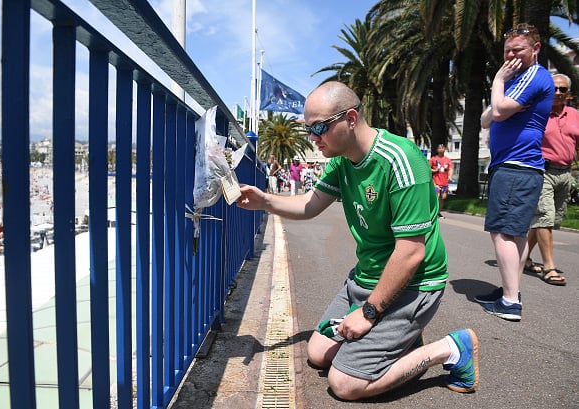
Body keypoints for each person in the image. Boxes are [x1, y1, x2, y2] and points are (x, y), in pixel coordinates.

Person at [236, 81, 479, 400]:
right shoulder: (341, 160)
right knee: (318, 354)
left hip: (412, 284)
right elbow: (310, 204)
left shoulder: (399, 160)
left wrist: (368, 313)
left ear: (350, 118)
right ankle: (402, 339)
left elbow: (411, 253)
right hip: (366, 277)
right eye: (308, 129)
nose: (313, 138)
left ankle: (452, 349)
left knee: (345, 384)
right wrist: (265, 201)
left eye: (319, 127)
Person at [476, 23, 554, 321]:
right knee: (515, 234)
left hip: (516, 166)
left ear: (536, 48)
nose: (510, 55)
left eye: (518, 49)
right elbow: (487, 119)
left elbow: (496, 113)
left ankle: (510, 302)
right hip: (515, 167)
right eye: (507, 50)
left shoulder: (534, 76)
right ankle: (511, 290)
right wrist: (501, 102)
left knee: (503, 233)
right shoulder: (519, 80)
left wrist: (497, 80)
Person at [524, 73, 579, 286]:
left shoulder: (575, 115)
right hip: (542, 171)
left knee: (549, 221)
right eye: (554, 88)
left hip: (566, 174)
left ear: (569, 94)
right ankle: (549, 267)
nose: (557, 92)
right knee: (544, 216)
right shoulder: (537, 112)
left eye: (562, 89)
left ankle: (523, 258)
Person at [429, 144, 453, 217]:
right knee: (436, 197)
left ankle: (438, 212)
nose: (441, 149)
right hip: (436, 183)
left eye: (442, 148)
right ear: (437, 150)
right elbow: (427, 168)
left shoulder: (448, 160)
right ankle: (433, 212)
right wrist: (434, 170)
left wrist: (450, 176)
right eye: (439, 148)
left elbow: (451, 169)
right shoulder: (433, 159)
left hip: (444, 183)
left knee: (442, 198)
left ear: (444, 149)